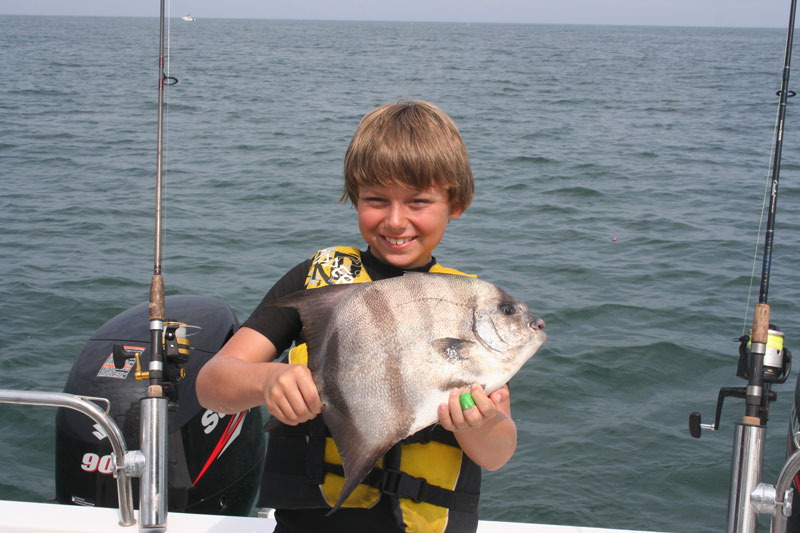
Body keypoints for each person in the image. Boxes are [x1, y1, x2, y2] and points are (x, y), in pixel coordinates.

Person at [196, 99, 518, 533]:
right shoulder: (319, 278)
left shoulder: (469, 307)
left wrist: (480, 424)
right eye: (376, 200)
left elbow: (497, 453)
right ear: (353, 197)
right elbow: (211, 385)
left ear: (454, 203)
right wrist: (268, 382)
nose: (396, 220)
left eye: (419, 201)